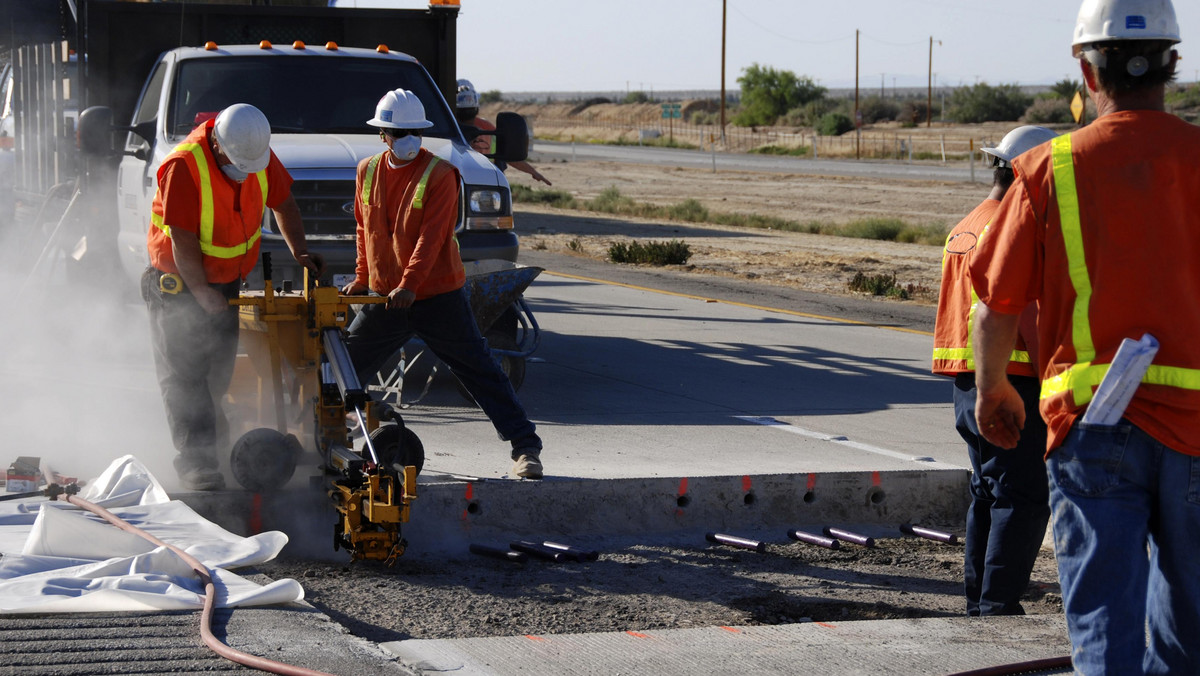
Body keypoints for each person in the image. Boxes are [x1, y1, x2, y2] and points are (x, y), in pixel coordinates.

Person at [971, 0, 1200, 671]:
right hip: (1195, 429)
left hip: (1092, 429)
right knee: (1191, 628)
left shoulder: (1050, 168)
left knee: (1103, 621)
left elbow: (995, 305)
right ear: (1173, 65)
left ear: (1087, 71)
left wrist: (993, 393)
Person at [341, 88, 544, 479]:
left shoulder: (440, 173)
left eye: (414, 131)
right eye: (399, 133)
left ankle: (526, 448)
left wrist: (410, 285)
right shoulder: (366, 170)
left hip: (436, 296)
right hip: (387, 297)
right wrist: (363, 277)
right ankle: (321, 436)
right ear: (383, 134)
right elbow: (364, 229)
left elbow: (431, 238)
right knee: (341, 371)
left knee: (479, 370)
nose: (408, 140)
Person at [142, 103, 323, 491]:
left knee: (215, 375)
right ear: (219, 146)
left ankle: (216, 449)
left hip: (223, 285)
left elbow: (283, 202)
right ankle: (197, 464)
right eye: (239, 163)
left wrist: (300, 251)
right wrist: (201, 291)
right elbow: (182, 239)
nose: (246, 171)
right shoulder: (184, 167)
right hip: (177, 284)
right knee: (185, 376)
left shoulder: (254, 151)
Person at [933, 125, 1057, 616]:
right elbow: (1017, 311)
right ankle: (998, 607)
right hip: (1014, 382)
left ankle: (980, 601)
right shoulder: (1011, 227)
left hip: (970, 383)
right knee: (1023, 497)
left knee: (987, 493)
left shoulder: (967, 224)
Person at [455, 78, 552, 186]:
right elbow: (509, 155)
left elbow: (508, 154)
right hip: (486, 185)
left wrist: (533, 172)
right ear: (477, 107)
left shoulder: (444, 128)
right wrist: (533, 172)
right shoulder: (487, 129)